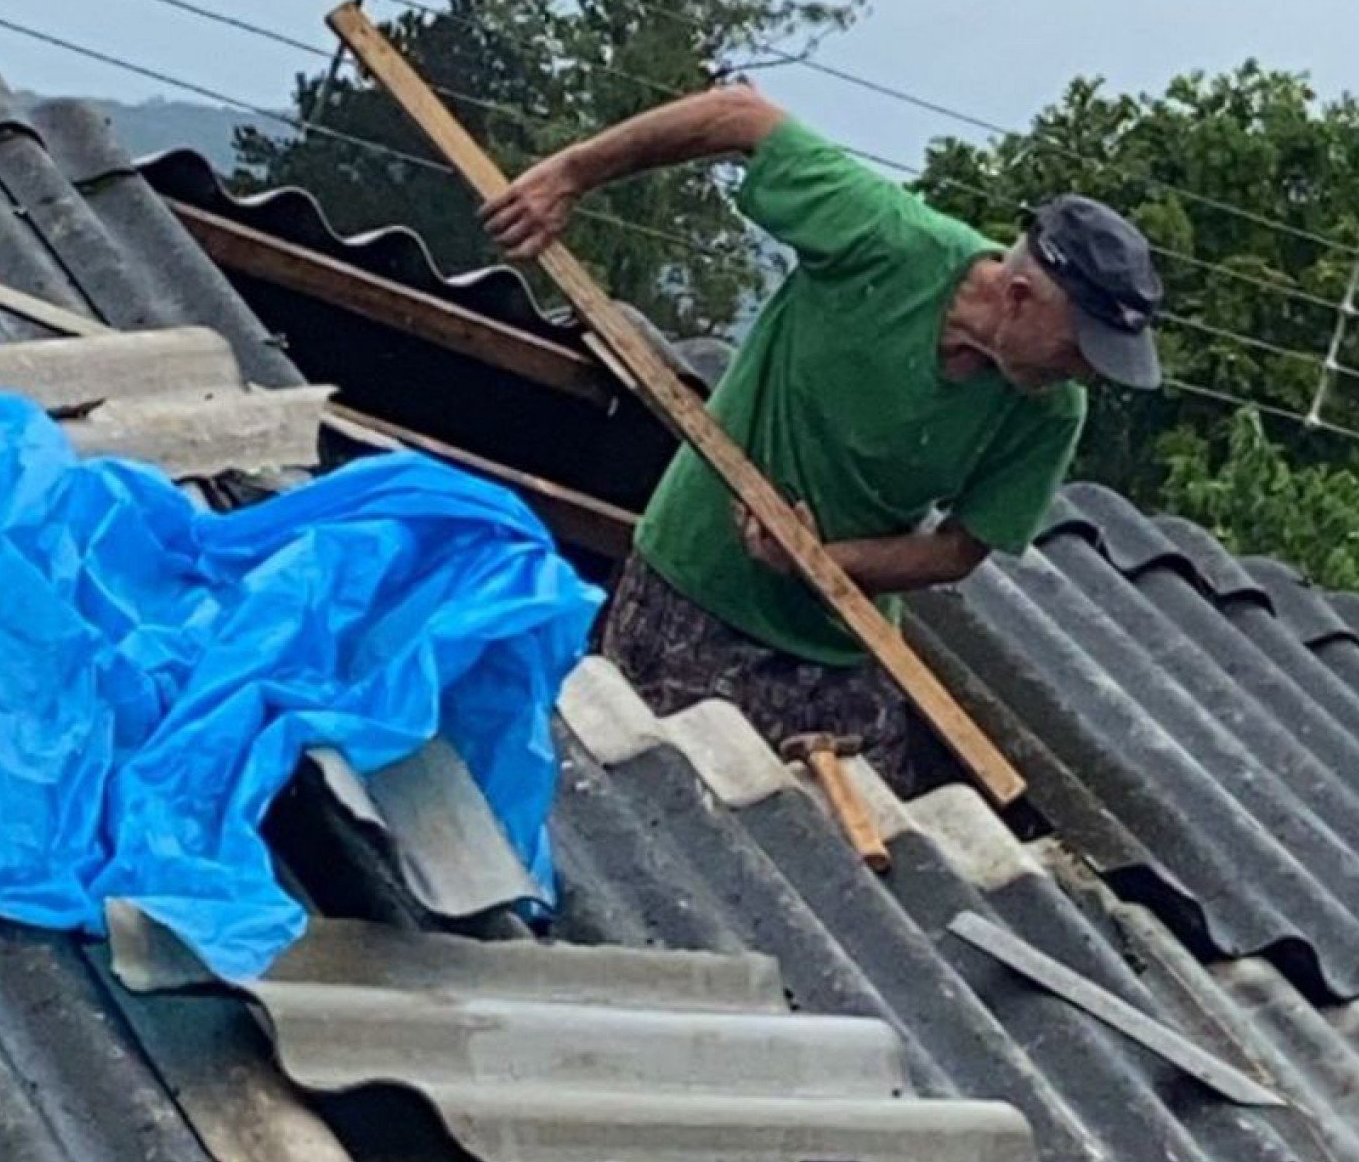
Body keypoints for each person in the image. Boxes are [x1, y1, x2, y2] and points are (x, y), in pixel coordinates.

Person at [482, 85, 1163, 786]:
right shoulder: (887, 241)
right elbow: (737, 115)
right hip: (692, 591)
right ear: (1019, 298)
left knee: (850, 856)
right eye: (1077, 349)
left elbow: (957, 550)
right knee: (654, 801)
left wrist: (819, 558)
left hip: (839, 645)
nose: (1081, 373)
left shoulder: (1049, 411)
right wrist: (568, 177)